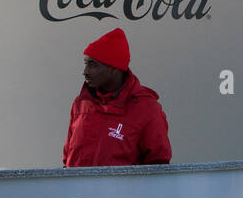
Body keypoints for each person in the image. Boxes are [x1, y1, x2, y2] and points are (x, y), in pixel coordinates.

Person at [62, 27, 171, 167]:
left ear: (114, 69)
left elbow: (158, 166)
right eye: (86, 64)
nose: (85, 72)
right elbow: (67, 160)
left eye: (92, 65)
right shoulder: (80, 103)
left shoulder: (147, 108)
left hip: (122, 189)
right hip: (76, 189)